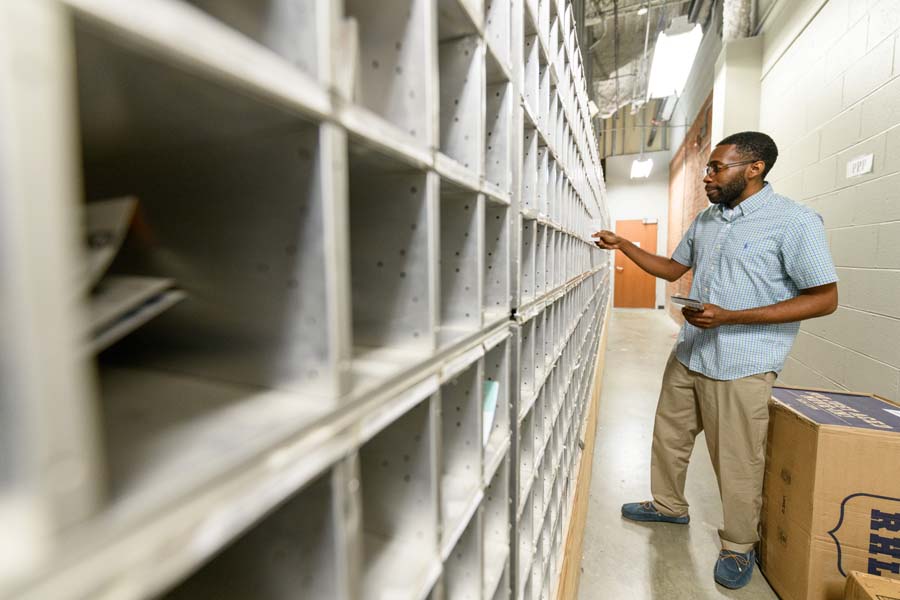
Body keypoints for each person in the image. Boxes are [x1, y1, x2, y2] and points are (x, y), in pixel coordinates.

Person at [592, 131, 838, 590]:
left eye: (716, 168)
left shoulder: (794, 222)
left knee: (738, 458)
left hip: (743, 361)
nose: (707, 176)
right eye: (707, 167)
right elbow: (672, 268)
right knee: (670, 436)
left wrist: (731, 317)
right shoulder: (708, 220)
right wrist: (624, 245)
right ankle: (668, 506)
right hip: (691, 350)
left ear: (754, 168)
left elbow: (825, 299)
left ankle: (739, 545)